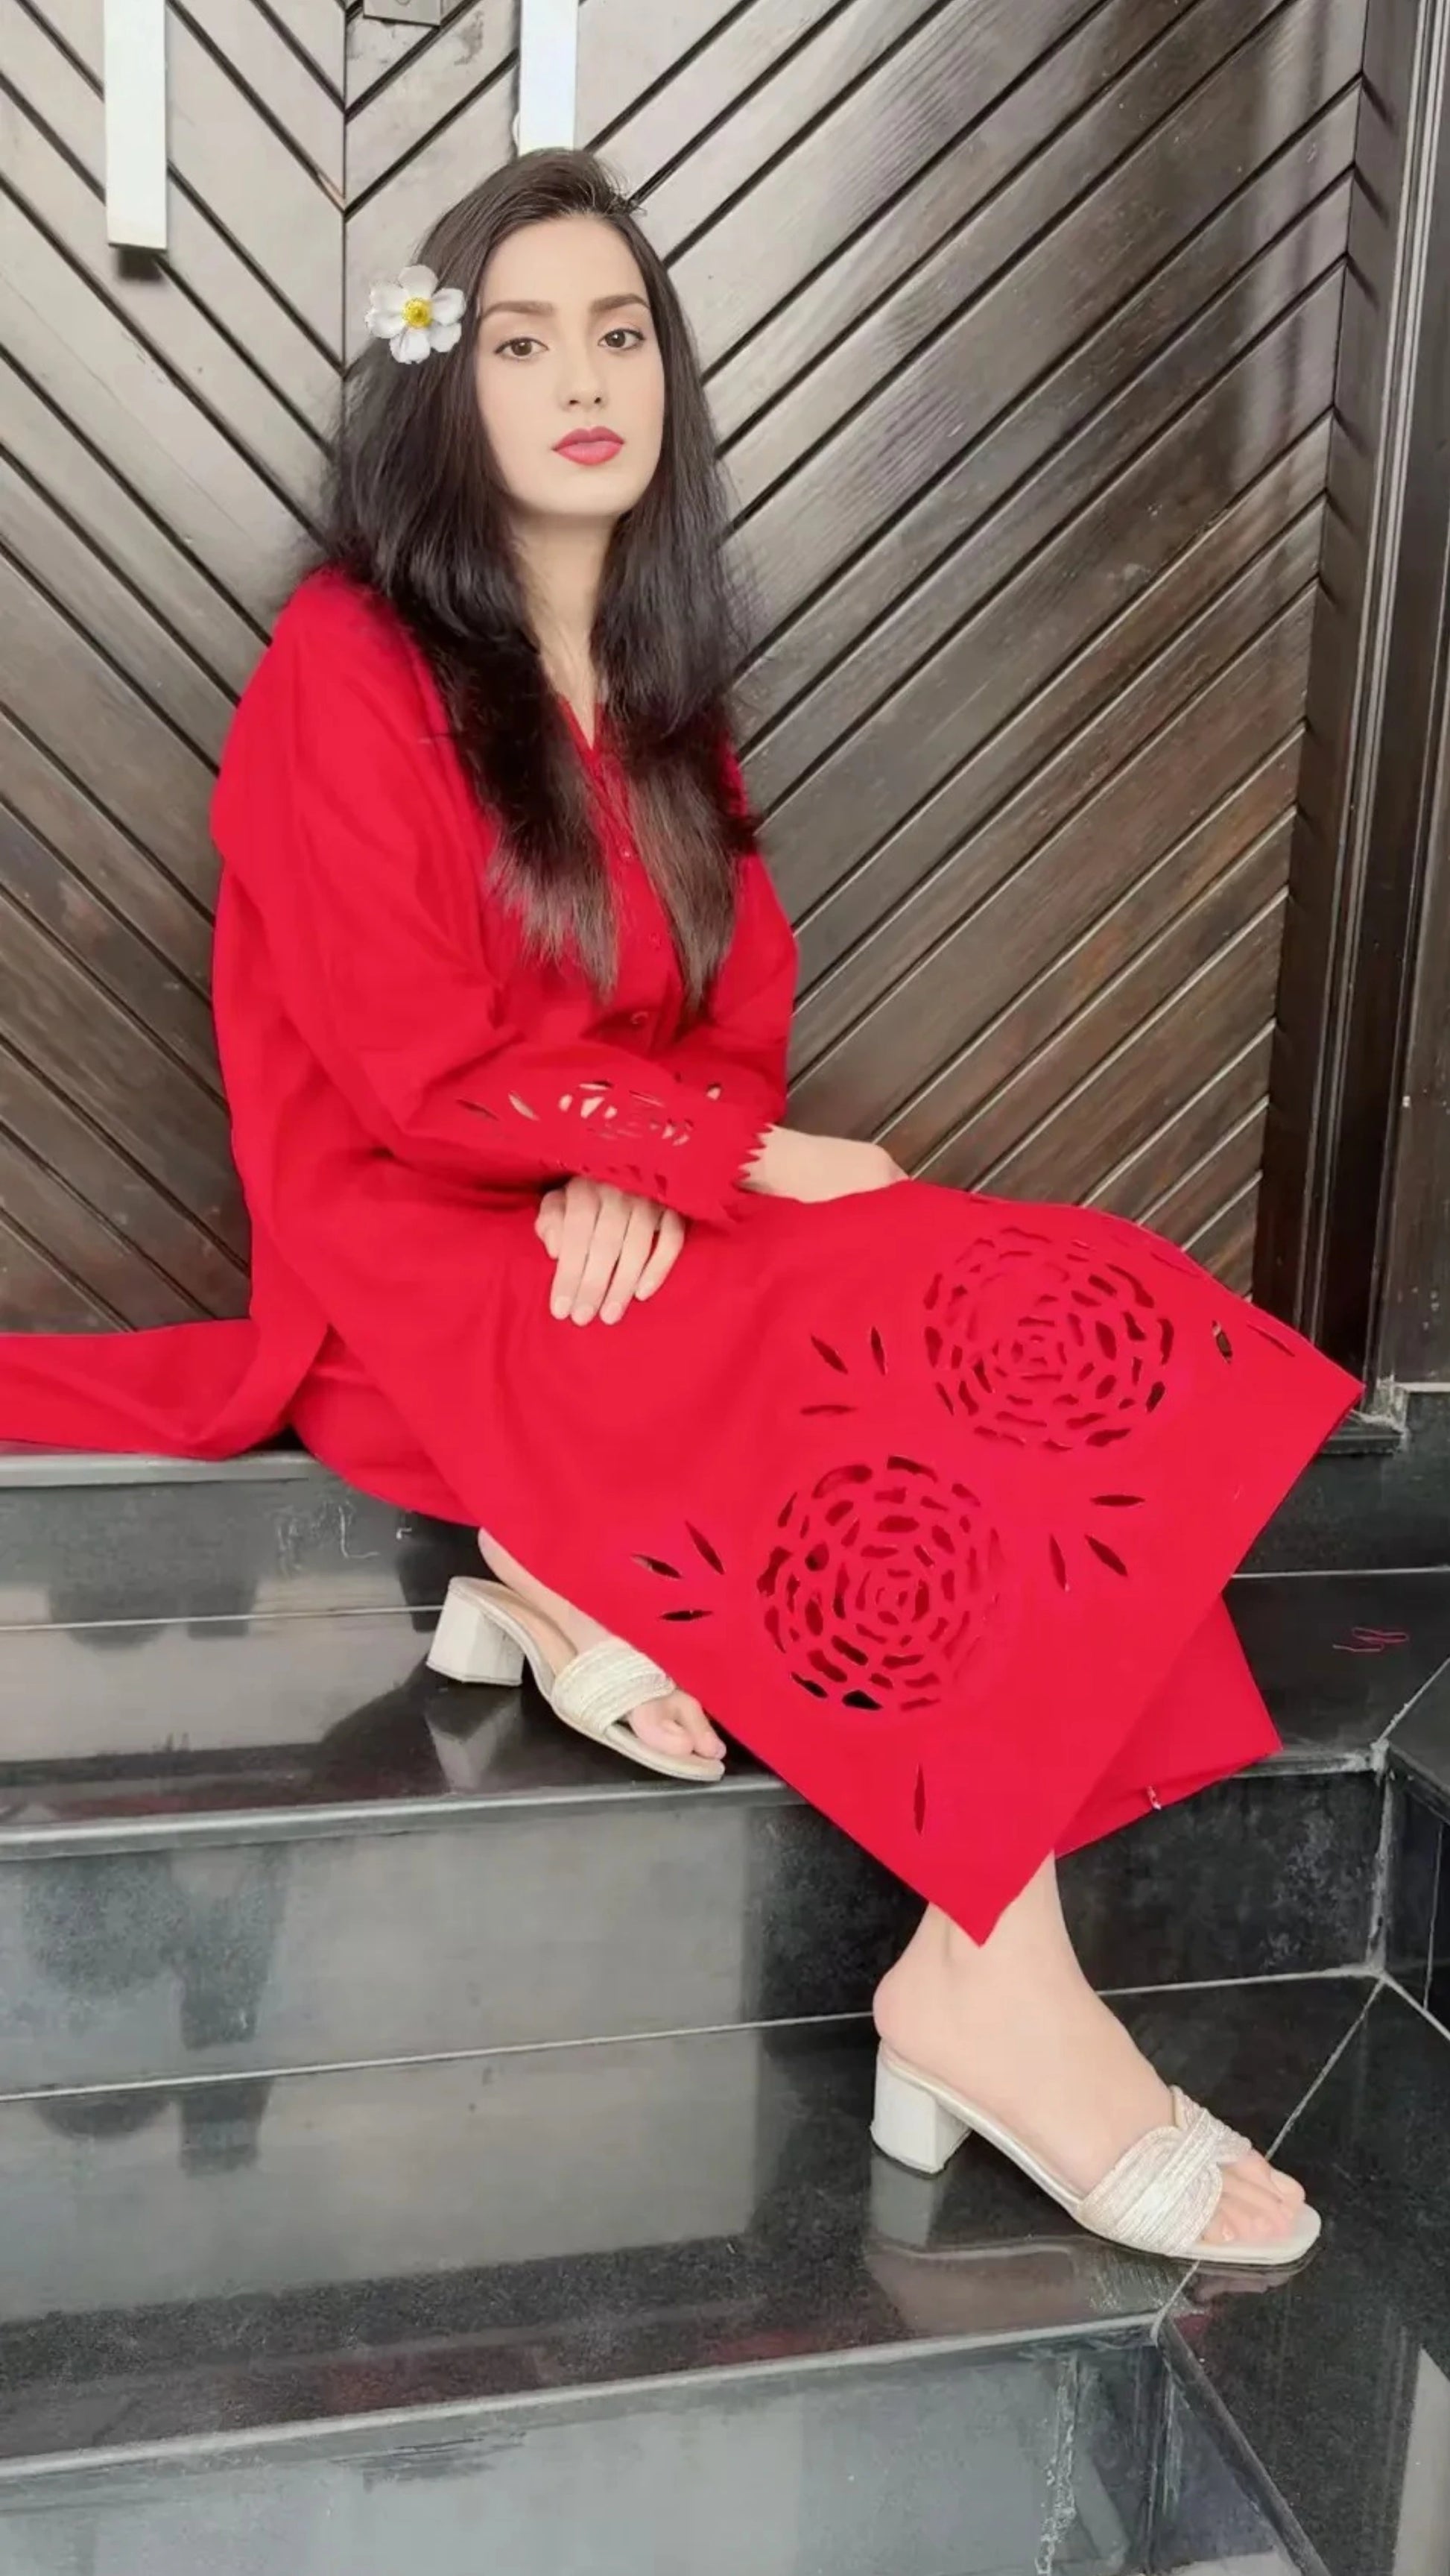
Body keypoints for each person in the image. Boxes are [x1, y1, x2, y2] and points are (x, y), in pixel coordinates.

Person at [0, 151, 1355, 2265]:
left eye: (619, 335)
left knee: (1064, 1299)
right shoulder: (346, 661)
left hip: (602, 1214)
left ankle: (947, 1933)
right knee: (888, 1315)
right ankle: (988, 1989)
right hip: (411, 1261)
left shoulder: (653, 677)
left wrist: (652, 1155)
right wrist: (689, 1158)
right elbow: (401, 1059)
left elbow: (731, 1018)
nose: (582, 381)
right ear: (441, 390)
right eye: (521, 342)